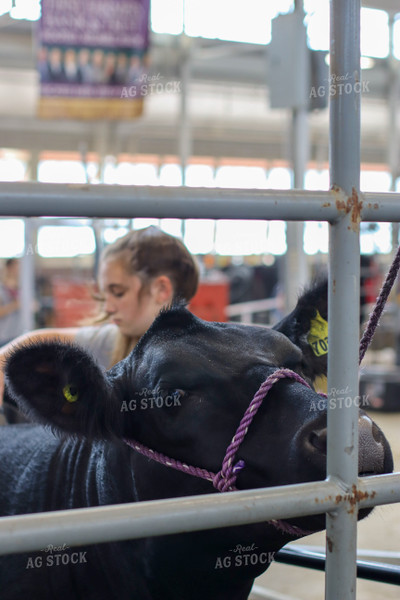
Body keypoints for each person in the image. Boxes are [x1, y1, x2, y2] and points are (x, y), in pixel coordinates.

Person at [0, 226, 199, 418]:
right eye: (105, 296)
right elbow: (36, 341)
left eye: (118, 292)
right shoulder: (114, 340)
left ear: (161, 290)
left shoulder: (197, 362)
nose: (108, 308)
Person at [0, 258, 21, 347]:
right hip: (4, 336)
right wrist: (15, 305)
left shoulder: (21, 288)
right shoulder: (2, 289)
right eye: (16, 267)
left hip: (18, 334)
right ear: (9, 268)